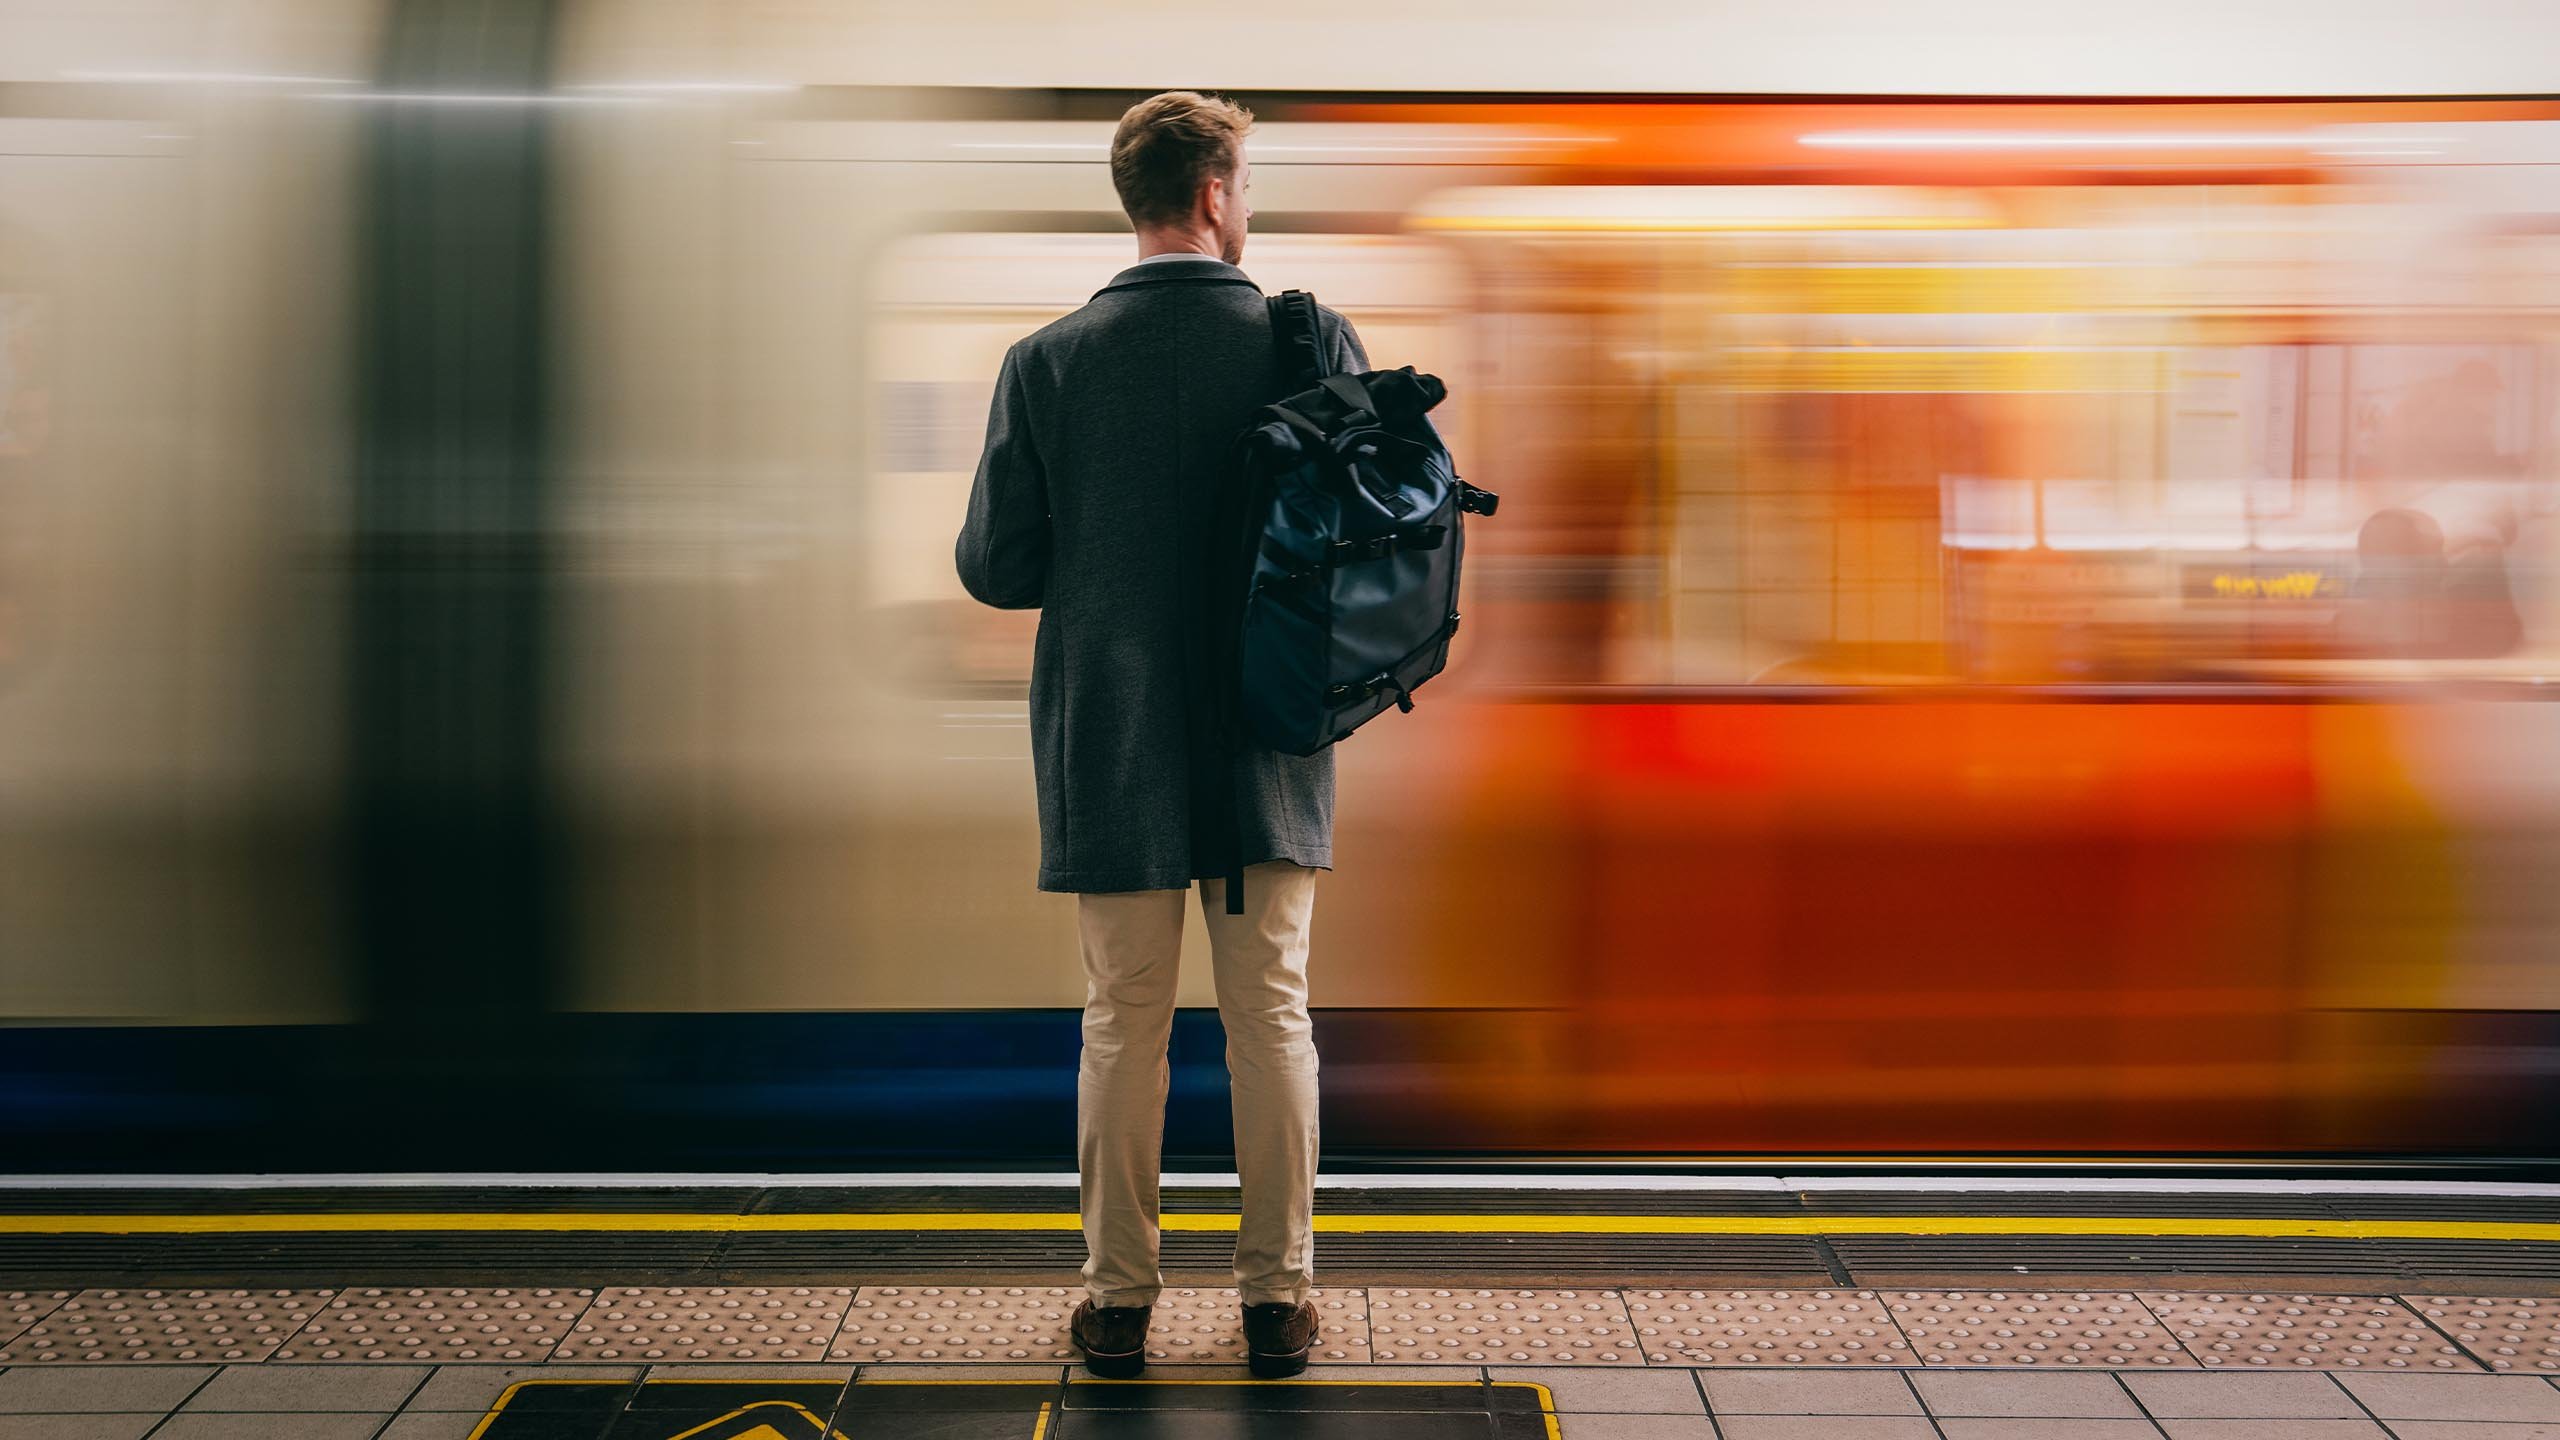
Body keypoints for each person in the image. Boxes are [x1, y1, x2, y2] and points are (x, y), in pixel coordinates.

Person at [952, 90, 1368, 1380]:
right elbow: (1377, 541)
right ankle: (1276, 1302)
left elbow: (995, 569)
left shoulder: (1050, 361)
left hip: (1113, 737)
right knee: (1274, 1018)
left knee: (1124, 1021)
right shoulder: (1310, 341)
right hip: (1268, 734)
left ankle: (1120, 1302)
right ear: (1212, 197)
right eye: (1243, 188)